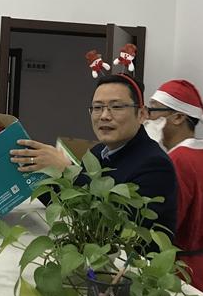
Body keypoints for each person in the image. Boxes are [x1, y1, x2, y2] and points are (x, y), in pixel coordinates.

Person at [10, 74, 177, 236]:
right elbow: (72, 206)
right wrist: (39, 173)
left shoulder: (155, 164)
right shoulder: (97, 153)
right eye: (97, 108)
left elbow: (114, 228)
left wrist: (67, 170)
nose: (104, 116)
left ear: (141, 114)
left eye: (116, 107)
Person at [147, 79, 203, 296]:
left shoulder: (178, 161)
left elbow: (165, 225)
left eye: (153, 110)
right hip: (201, 267)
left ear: (178, 117)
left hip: (177, 270)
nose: (148, 117)